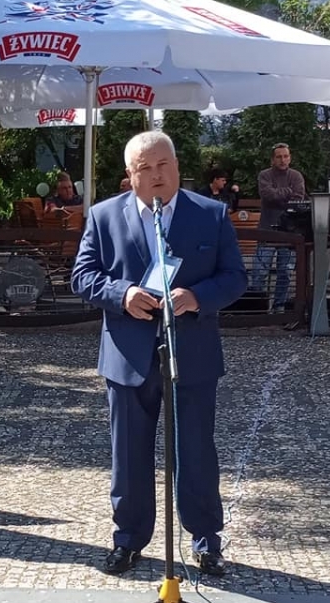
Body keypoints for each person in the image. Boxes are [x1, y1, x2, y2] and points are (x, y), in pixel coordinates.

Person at [71, 130, 247, 577]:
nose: (156, 175)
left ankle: (206, 540)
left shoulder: (210, 214)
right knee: (129, 455)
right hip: (128, 355)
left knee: (196, 451)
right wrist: (121, 293)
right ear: (129, 175)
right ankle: (128, 539)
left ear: (177, 166)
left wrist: (198, 297)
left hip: (192, 351)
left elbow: (235, 277)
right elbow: (82, 276)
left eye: (163, 165)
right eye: (144, 168)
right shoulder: (103, 216)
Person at [250, 143, 306, 312]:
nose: (283, 160)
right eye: (279, 156)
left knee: (285, 272)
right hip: (266, 230)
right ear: (272, 159)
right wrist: (288, 192)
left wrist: (278, 193)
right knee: (259, 271)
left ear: (290, 158)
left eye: (286, 156)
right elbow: (267, 195)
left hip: (289, 232)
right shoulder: (264, 175)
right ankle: (258, 307)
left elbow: (298, 198)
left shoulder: (296, 176)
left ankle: (279, 306)